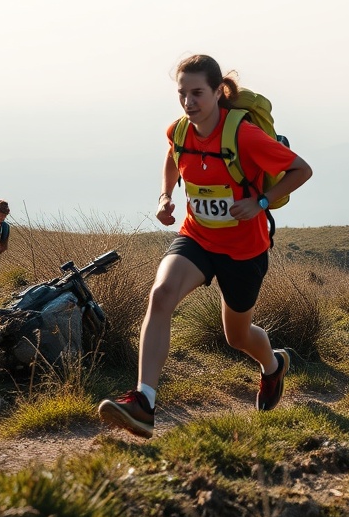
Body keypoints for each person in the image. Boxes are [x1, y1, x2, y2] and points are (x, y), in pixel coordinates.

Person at [98, 54, 312, 438]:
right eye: (182, 94)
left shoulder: (244, 135)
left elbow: (301, 169)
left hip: (245, 249)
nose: (188, 102)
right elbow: (171, 157)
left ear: (217, 92)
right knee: (161, 295)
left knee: (237, 337)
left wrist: (260, 202)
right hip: (197, 236)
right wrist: (165, 196)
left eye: (197, 93)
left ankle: (274, 367)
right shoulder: (179, 131)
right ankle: (144, 402)